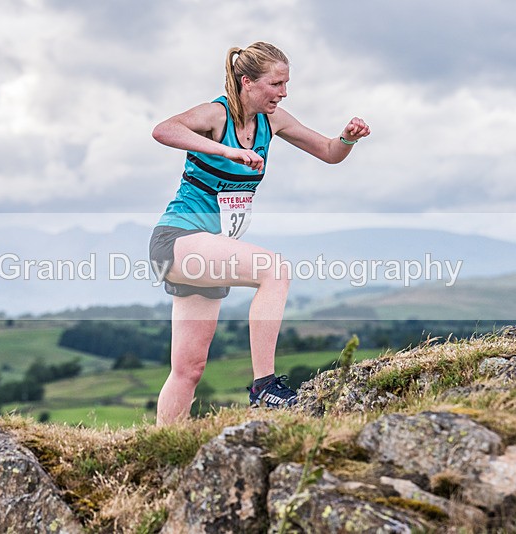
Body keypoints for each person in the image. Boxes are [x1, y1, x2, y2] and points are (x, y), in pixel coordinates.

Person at [149, 41, 370, 424]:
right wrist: (226, 152)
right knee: (274, 270)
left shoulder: (274, 121)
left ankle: (162, 446)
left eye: (286, 84)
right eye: (276, 83)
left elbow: (330, 152)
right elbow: (163, 130)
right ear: (247, 82)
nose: (283, 92)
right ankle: (263, 385)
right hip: (177, 240)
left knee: (189, 370)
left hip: (210, 253)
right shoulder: (215, 115)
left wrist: (348, 137)